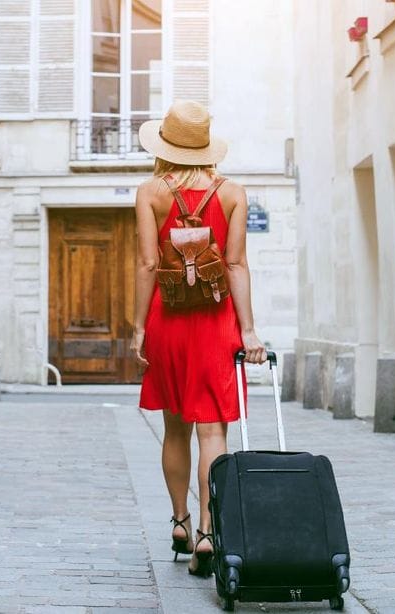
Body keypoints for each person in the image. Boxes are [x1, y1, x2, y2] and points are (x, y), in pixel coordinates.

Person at [130, 100, 267, 577]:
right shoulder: (232, 192)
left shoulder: (150, 192)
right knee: (213, 431)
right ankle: (210, 531)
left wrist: (139, 327)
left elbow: (148, 264)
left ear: (165, 147)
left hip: (169, 321)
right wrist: (248, 330)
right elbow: (235, 264)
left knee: (174, 429)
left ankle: (180, 522)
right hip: (216, 323)